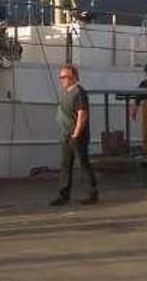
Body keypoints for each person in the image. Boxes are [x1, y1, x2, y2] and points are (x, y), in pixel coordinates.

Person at [51, 64, 98, 206]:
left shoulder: (79, 93)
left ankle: (92, 193)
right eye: (61, 77)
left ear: (73, 77)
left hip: (77, 136)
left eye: (64, 77)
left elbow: (82, 115)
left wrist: (75, 135)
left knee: (83, 163)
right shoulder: (67, 92)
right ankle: (63, 195)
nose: (62, 80)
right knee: (65, 165)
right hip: (66, 135)